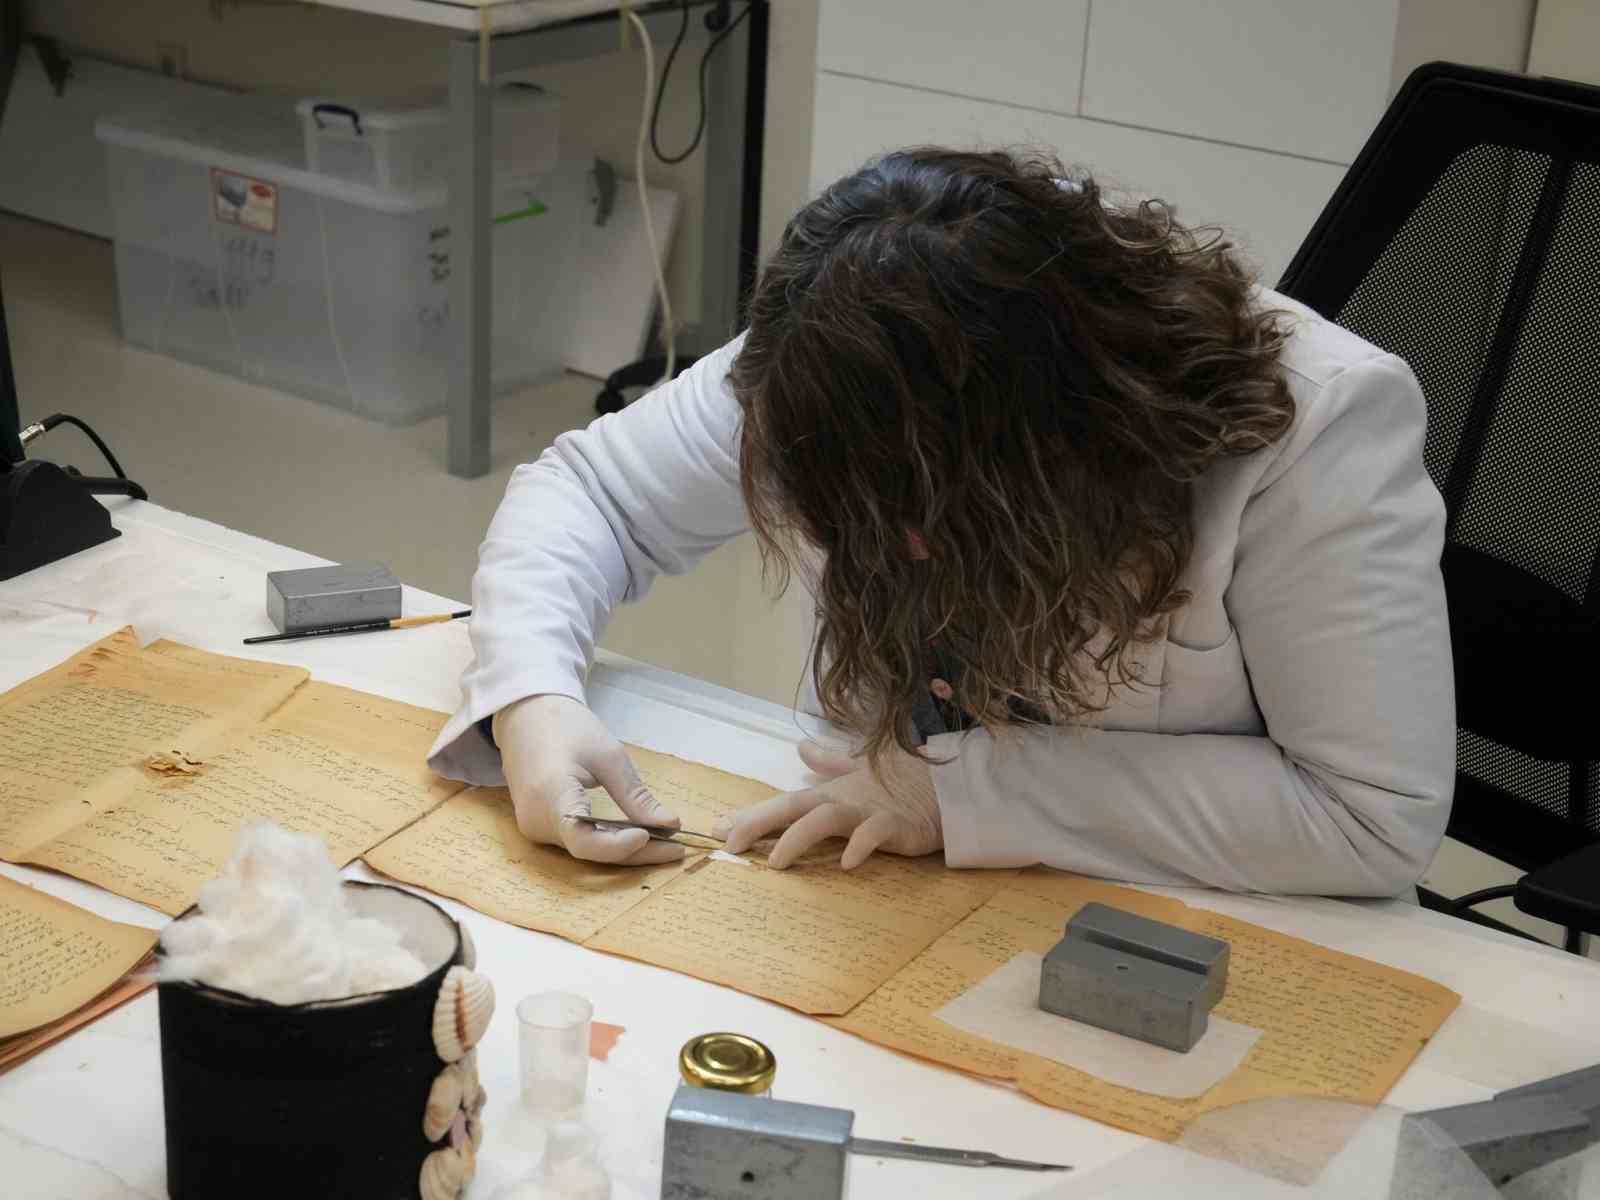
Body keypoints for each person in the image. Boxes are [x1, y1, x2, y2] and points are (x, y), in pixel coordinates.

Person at [427, 148, 1454, 896]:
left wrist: (960, 793)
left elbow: (1369, 818)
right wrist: (531, 696)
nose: (897, 558)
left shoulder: (1318, 426)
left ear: (1057, 450)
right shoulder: (835, 359)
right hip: (876, 885)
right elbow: (590, 496)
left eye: (919, 524)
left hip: (1187, 903)